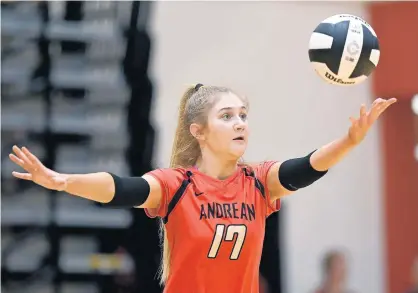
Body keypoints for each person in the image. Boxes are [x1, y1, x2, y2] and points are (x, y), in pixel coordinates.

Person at [9, 84, 396, 293]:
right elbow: (120, 188)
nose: (240, 123)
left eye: (243, 115)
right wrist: (61, 181)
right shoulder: (176, 185)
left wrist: (349, 142)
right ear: (199, 132)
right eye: (227, 116)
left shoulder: (258, 182)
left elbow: (306, 167)